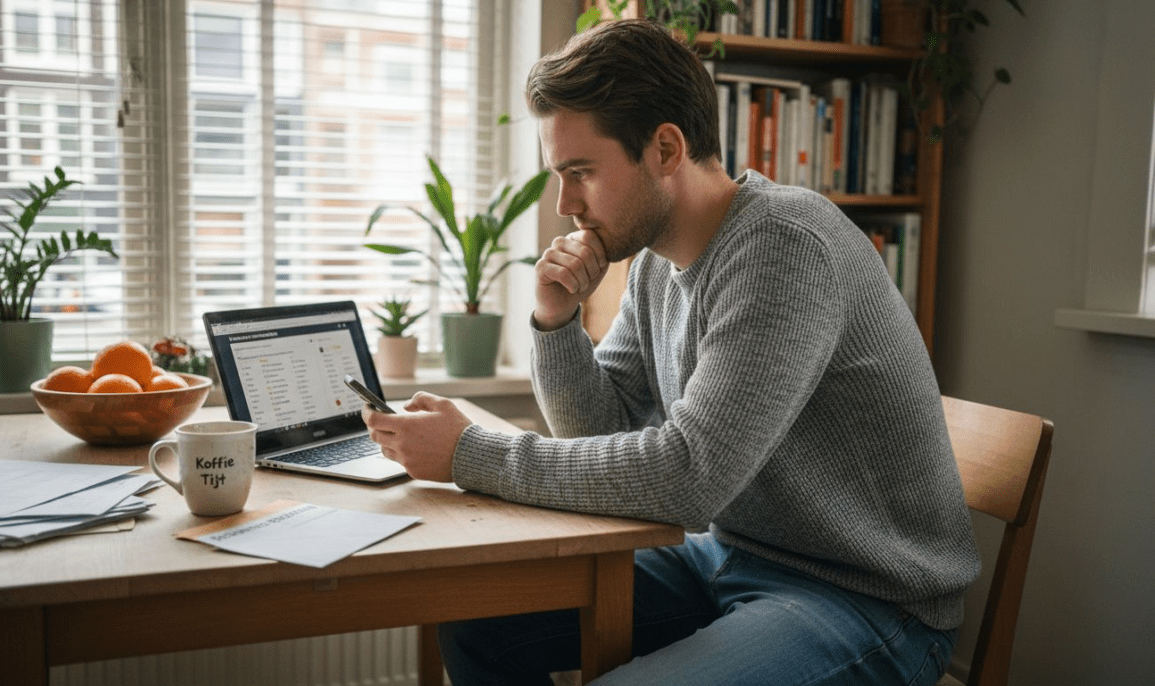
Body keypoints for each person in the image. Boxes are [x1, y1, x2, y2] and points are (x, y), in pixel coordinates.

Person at [362, 18, 980, 686]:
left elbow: (690, 476)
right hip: (728, 553)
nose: (567, 204)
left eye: (581, 173)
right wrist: (555, 318)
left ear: (664, 148)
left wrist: (468, 454)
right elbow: (601, 430)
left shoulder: (784, 248)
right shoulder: (658, 262)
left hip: (865, 600)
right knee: (478, 620)